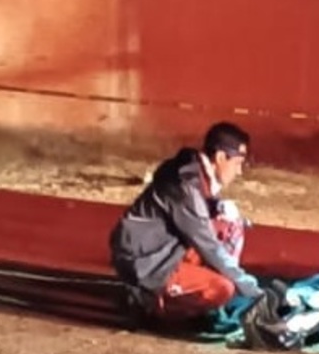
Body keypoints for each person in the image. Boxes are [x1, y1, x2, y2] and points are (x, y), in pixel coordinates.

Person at [109, 121, 262, 324]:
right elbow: (208, 245)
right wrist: (251, 289)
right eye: (237, 163)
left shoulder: (194, 173)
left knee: (229, 224)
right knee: (222, 289)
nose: (239, 171)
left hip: (163, 249)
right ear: (220, 157)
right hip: (146, 261)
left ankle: (175, 295)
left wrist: (217, 206)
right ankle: (150, 305)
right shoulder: (186, 187)